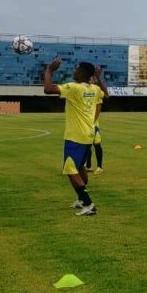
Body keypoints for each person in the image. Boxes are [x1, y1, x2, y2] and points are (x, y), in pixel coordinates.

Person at [43, 58, 107, 216]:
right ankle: (80, 199)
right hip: (89, 133)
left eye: (76, 69)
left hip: (76, 135)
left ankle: (88, 203)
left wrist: (50, 70)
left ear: (83, 73)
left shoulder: (74, 88)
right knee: (80, 167)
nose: (74, 71)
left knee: (70, 169)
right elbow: (106, 94)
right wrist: (98, 77)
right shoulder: (94, 89)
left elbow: (48, 89)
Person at [84, 74, 105, 174]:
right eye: (89, 78)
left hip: (93, 124)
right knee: (86, 146)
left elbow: (98, 108)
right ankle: (88, 166)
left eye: (91, 79)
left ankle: (100, 166)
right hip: (84, 123)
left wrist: (93, 122)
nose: (90, 80)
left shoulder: (96, 91)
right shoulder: (84, 91)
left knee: (97, 144)